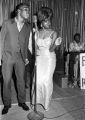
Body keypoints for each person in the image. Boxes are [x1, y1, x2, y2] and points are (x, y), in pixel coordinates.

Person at [1, 3, 31, 115]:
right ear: (19, 11)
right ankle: (7, 104)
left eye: (28, 10)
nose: (28, 12)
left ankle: (22, 101)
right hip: (7, 56)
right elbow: (1, 40)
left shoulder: (28, 26)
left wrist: (26, 57)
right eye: (26, 10)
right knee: (6, 81)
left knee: (21, 80)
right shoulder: (7, 23)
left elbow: (26, 43)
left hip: (20, 58)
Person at [31, 7, 62, 111]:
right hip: (39, 58)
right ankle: (36, 101)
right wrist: (33, 36)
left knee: (46, 81)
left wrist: (56, 44)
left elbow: (51, 50)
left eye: (49, 20)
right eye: (45, 21)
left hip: (49, 59)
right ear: (41, 22)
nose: (48, 23)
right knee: (38, 80)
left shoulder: (54, 33)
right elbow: (35, 48)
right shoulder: (37, 32)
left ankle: (46, 103)